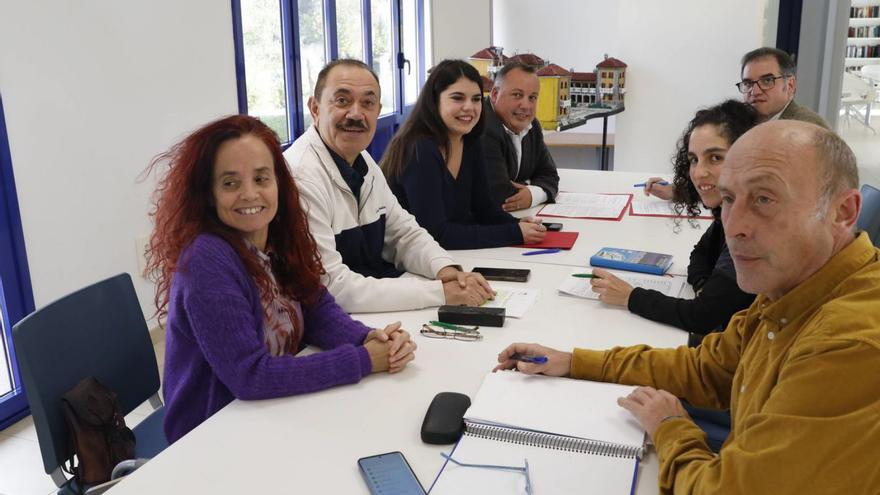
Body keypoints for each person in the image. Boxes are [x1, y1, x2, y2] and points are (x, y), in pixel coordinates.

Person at [495, 120, 880, 494]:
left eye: (764, 199)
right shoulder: (794, 282)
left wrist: (671, 427)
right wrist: (573, 361)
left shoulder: (850, 345)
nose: (734, 226)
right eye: (729, 199)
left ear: (842, 212)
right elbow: (709, 368)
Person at [145, 115, 417, 443]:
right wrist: (362, 359)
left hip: (272, 414)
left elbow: (318, 311)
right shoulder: (206, 260)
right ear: (209, 194)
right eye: (230, 183)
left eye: (261, 178)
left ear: (278, 182)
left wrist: (370, 339)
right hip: (213, 434)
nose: (250, 194)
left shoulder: (279, 235)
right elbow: (251, 376)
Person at [284, 59, 494, 312]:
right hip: (322, 327)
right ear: (315, 108)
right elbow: (333, 288)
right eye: (342, 101)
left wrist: (446, 271)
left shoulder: (363, 162)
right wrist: (439, 292)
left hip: (372, 310)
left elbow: (403, 232)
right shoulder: (301, 176)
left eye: (368, 103)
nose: (355, 114)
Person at [592, 101, 758, 341]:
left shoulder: (751, 227)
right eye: (693, 159)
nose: (699, 172)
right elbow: (699, 256)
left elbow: (701, 317)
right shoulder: (729, 210)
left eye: (715, 158)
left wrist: (630, 296)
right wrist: (705, 285)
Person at [381, 60, 546, 250]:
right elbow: (435, 234)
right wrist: (514, 233)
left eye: (476, 99)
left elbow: (484, 210)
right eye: (458, 98)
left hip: (444, 257)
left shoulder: (469, 141)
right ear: (435, 101)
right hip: (404, 264)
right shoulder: (419, 149)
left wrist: (515, 224)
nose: (469, 107)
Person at [643, 47, 829, 200]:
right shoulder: (749, 122)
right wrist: (676, 191)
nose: (755, 91)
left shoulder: (805, 131)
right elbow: (727, 180)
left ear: (790, 86)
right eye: (748, 83)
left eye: (767, 81)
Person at [481, 62, 559, 211]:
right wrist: (534, 188)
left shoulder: (532, 126)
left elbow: (550, 175)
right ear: (495, 94)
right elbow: (498, 194)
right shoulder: (484, 127)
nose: (526, 105)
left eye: (532, 97)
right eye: (517, 95)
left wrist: (533, 194)